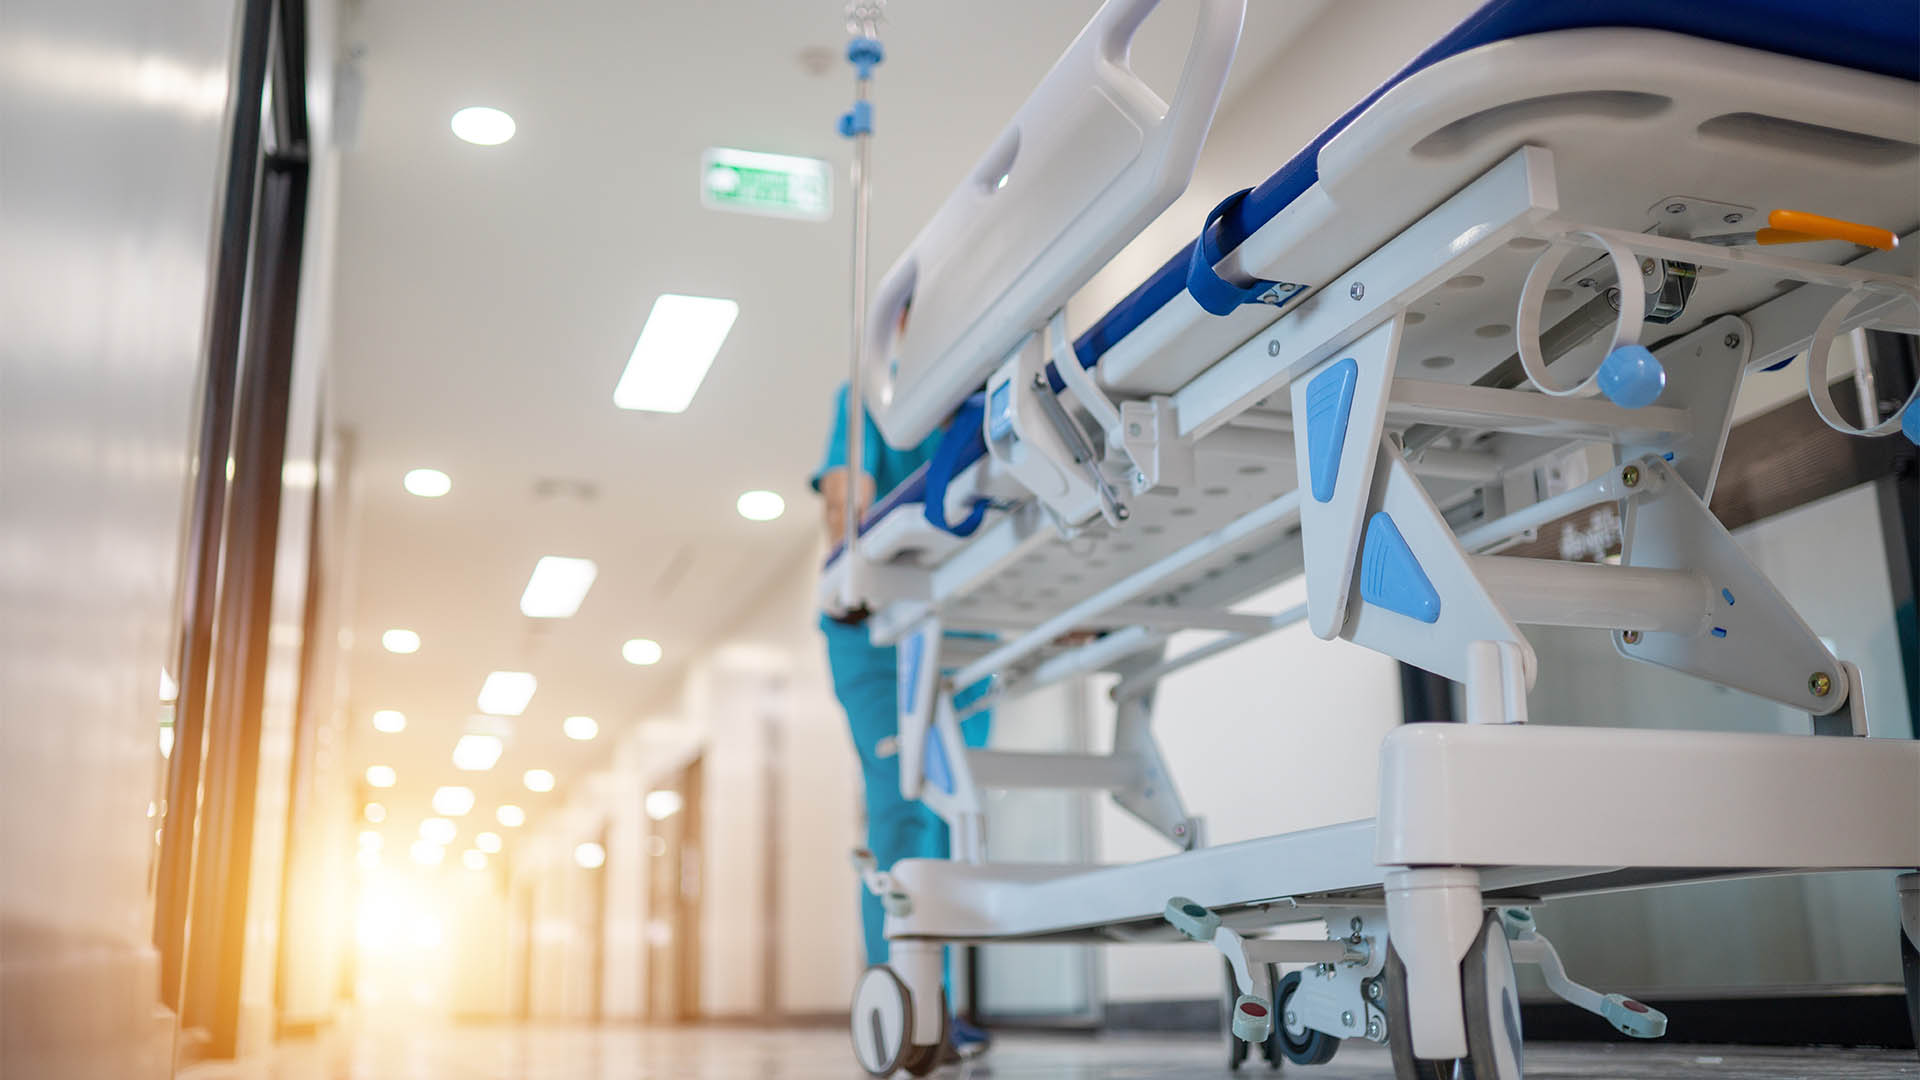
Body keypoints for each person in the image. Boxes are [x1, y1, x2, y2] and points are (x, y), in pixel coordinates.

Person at [812, 382, 993, 1059]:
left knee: (956, 814)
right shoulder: (872, 396)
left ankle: (935, 993)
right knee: (903, 811)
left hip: (967, 630)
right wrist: (847, 551)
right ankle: (906, 991)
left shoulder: (998, 379)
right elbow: (843, 496)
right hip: (876, 631)